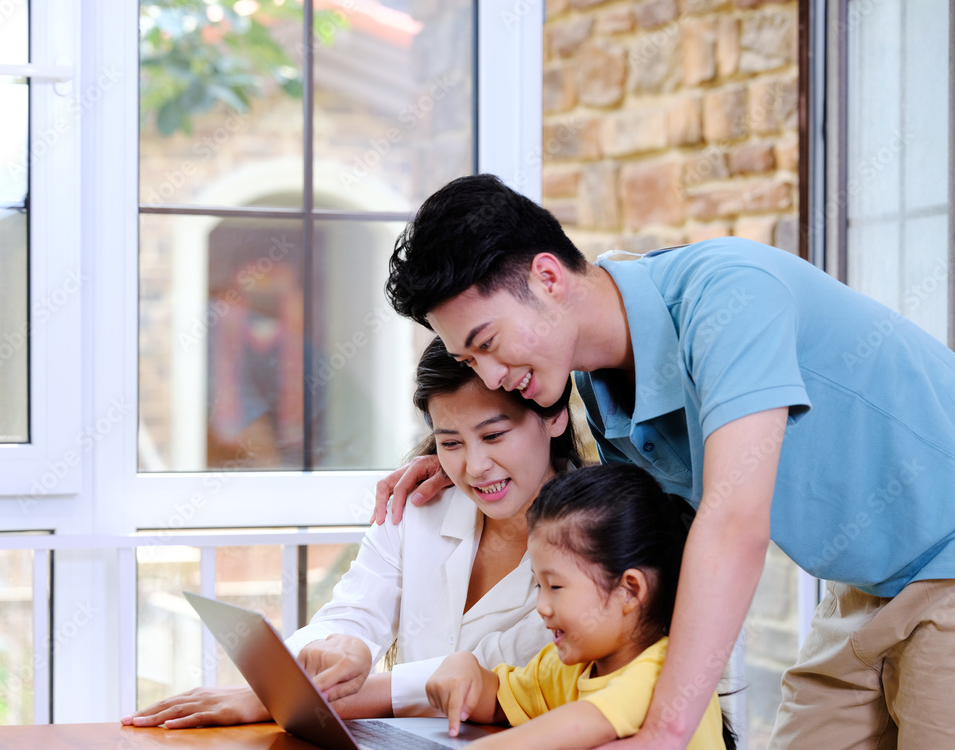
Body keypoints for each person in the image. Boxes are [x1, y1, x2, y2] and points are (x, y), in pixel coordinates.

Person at [379, 173, 955, 749]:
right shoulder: (604, 395)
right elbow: (634, 540)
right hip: (862, 587)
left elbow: (733, 524)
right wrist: (460, 462)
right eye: (468, 360)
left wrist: (665, 732)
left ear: (548, 277)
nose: (492, 375)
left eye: (487, 343)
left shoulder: (730, 296)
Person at [122, 335, 584, 728]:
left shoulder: (591, 547)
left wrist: (275, 699)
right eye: (451, 443)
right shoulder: (418, 508)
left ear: (553, 416)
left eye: (494, 436)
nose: (475, 466)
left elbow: (492, 673)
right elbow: (351, 611)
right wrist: (339, 648)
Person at [426, 464, 735, 750]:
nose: (542, 608)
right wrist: (465, 669)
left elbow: (580, 724)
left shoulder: (664, 671)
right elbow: (496, 701)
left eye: (556, 587)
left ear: (629, 591)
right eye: (538, 586)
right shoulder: (565, 667)